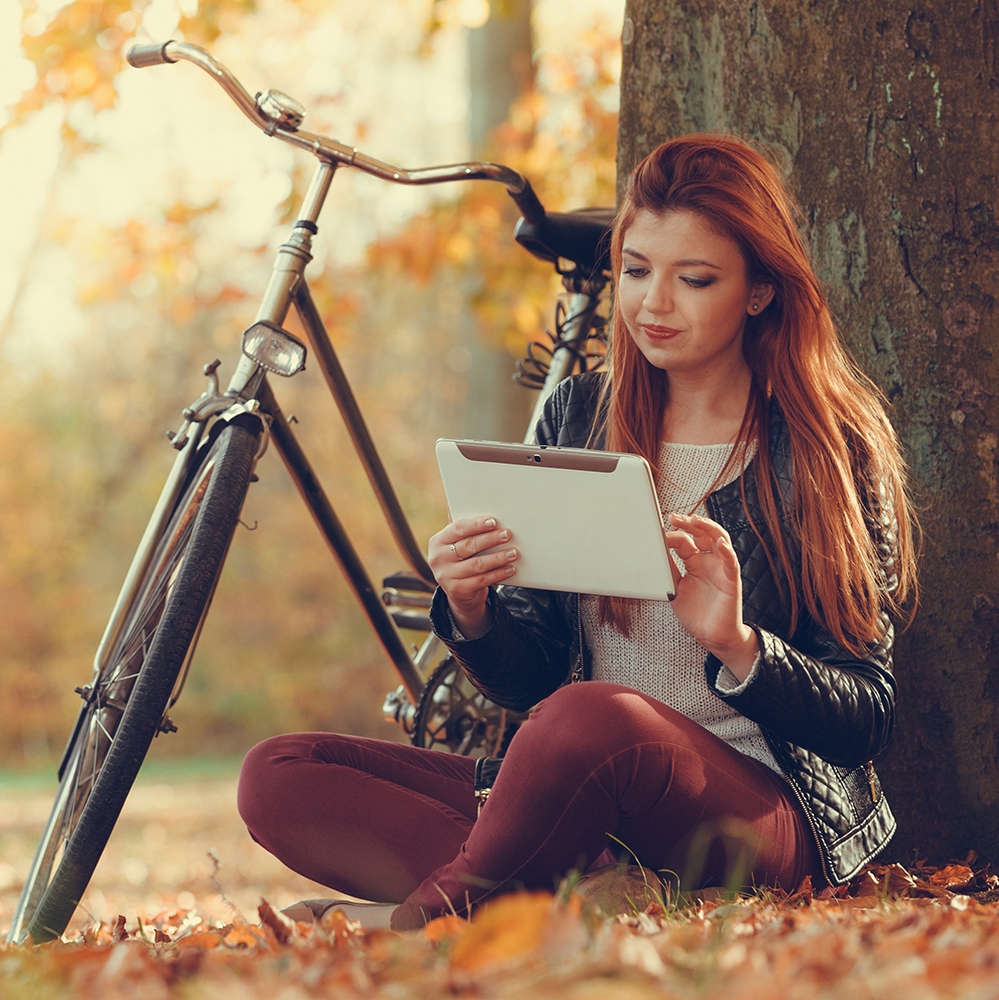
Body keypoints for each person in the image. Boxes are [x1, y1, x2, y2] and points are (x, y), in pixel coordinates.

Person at [237, 134, 917, 931]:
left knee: (593, 718)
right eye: (635, 271)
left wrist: (738, 645)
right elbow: (529, 680)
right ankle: (591, 892)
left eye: (692, 279)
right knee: (279, 772)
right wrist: (472, 608)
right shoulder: (579, 416)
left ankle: (407, 931)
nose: (652, 305)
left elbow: (865, 714)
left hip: (759, 813)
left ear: (759, 291)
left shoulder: (826, 445)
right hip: (579, 794)